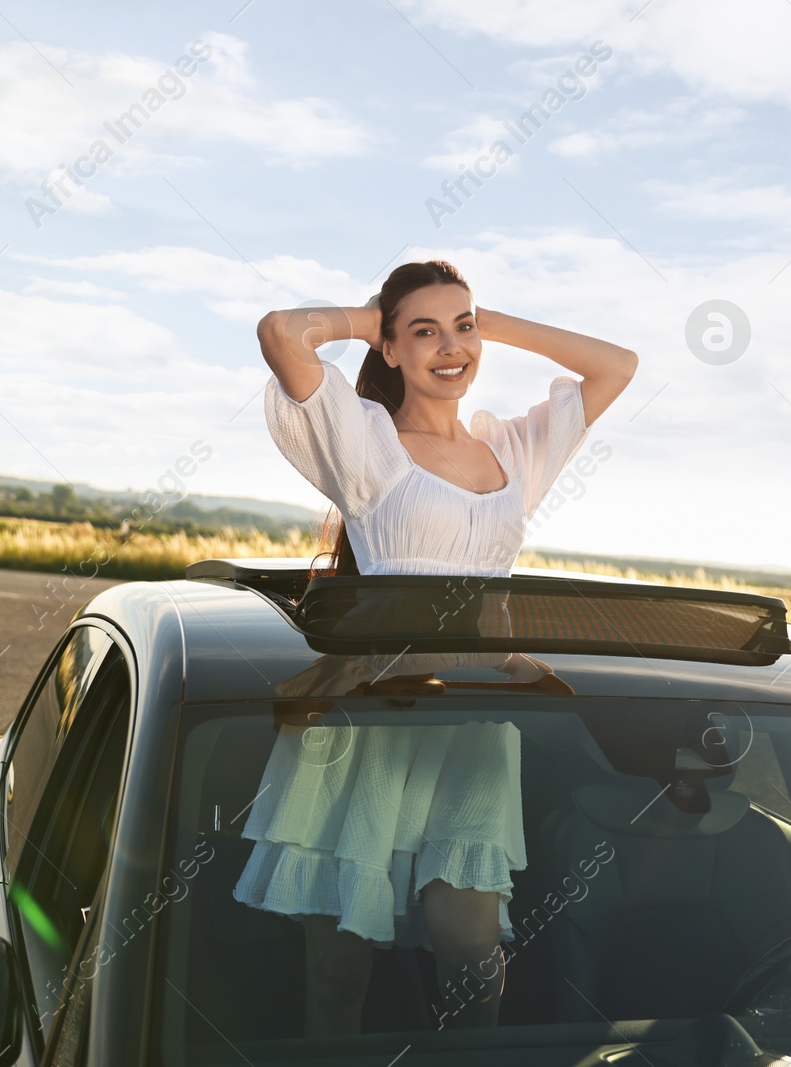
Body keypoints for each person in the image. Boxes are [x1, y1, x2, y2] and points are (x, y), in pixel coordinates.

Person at [233, 259, 636, 1035]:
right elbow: (282, 334)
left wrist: (485, 324)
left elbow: (616, 366)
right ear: (389, 347)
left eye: (462, 327)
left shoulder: (515, 452)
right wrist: (370, 315)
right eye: (423, 332)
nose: (450, 347)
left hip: (473, 727)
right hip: (371, 722)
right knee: (341, 967)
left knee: (472, 957)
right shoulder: (370, 442)